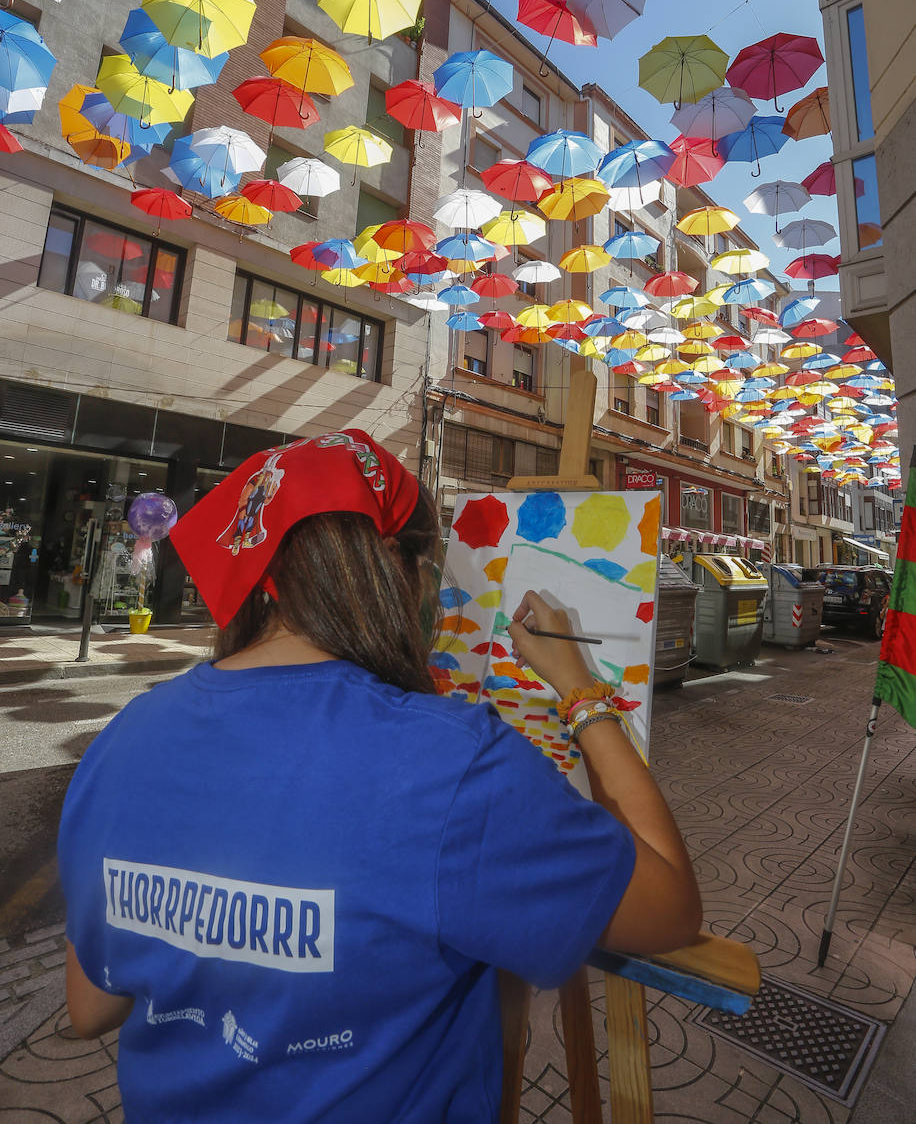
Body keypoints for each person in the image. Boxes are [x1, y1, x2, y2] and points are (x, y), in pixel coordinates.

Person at [59, 429, 701, 1123]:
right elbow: (669, 909)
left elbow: (91, 1006)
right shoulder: (450, 761)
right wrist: (581, 692)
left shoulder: (125, 738)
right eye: (435, 568)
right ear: (394, 567)